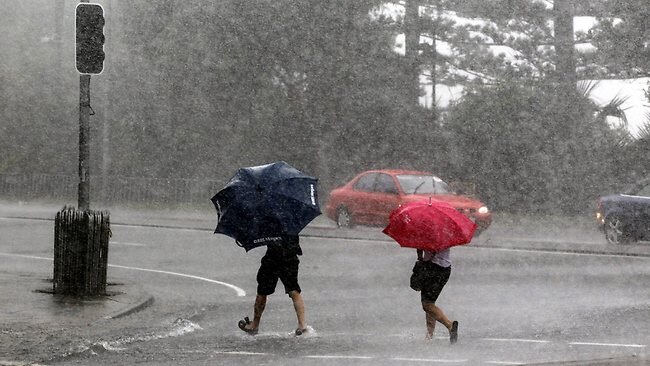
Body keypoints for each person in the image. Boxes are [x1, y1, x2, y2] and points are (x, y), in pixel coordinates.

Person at [238, 231, 308, 336]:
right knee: (292, 289)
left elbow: (262, 237)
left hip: (275, 256)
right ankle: (302, 325)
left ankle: (255, 324)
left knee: (264, 291)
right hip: (286, 256)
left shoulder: (269, 220)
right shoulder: (291, 220)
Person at [417, 248, 458, 343]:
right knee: (430, 302)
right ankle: (429, 334)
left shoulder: (426, 234)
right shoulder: (445, 234)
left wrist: (420, 257)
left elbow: (420, 246)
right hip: (445, 268)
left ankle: (450, 325)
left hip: (433, 269)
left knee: (427, 305)